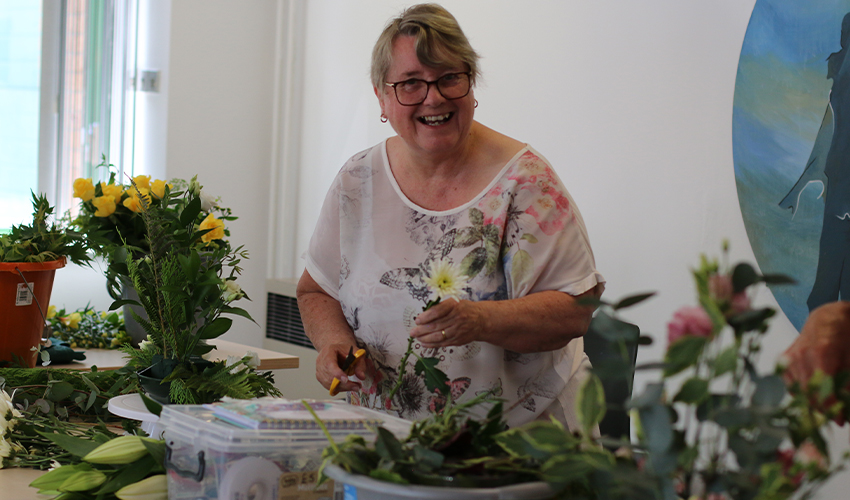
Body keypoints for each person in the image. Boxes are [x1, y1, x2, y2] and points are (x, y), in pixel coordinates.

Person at [296, 3, 605, 429]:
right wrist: (334, 344)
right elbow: (316, 291)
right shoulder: (357, 180)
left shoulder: (526, 183)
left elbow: (575, 310)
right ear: (382, 96)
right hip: (388, 442)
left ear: (471, 83)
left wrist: (479, 320)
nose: (434, 97)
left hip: (518, 444)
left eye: (448, 78)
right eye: (410, 84)